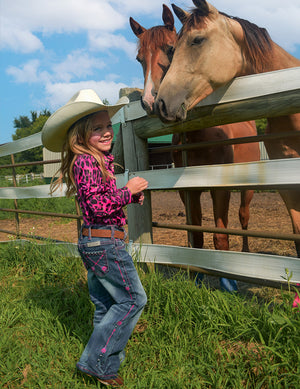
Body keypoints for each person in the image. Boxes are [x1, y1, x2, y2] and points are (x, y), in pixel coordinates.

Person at [42, 89, 148, 387]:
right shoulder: (86, 162)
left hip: (96, 241)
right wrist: (128, 191)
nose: (105, 132)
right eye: (96, 128)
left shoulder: (96, 161)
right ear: (80, 134)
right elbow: (97, 206)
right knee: (132, 299)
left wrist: (129, 197)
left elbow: (101, 199)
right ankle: (94, 362)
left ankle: (106, 366)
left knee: (105, 304)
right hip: (104, 244)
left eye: (107, 126)